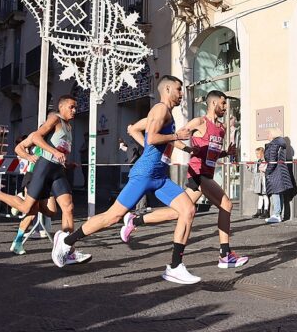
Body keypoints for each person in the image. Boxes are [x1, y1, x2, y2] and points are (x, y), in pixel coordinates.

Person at [50, 76, 200, 284]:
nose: (182, 94)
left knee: (188, 210)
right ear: (167, 89)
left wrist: (186, 147)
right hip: (145, 174)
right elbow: (153, 138)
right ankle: (66, 241)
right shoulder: (160, 110)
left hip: (159, 175)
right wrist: (177, 137)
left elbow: (139, 132)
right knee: (112, 217)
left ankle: (175, 267)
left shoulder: (167, 114)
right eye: (178, 89)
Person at [120, 90, 249, 269]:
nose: (226, 107)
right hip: (198, 173)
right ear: (213, 104)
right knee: (226, 204)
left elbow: (211, 154)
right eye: (223, 103)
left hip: (207, 173)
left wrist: (226, 153)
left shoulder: (221, 129)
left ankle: (135, 220)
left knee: (178, 212)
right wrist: (186, 149)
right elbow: (174, 135)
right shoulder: (199, 122)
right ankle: (225, 255)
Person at [0, 95, 91, 264]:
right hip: (43, 168)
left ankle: (68, 249)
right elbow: (36, 137)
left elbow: (59, 149)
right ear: (61, 107)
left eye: (76, 107)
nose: (75, 110)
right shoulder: (55, 119)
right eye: (71, 107)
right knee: (26, 208)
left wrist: (67, 163)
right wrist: (33, 156)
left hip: (57, 171)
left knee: (67, 207)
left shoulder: (68, 127)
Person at [263, 128, 295, 224]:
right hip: (281, 170)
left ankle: (276, 215)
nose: (267, 135)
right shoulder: (280, 144)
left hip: (275, 171)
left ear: (272, 134)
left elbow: (272, 160)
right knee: (279, 193)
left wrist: (267, 171)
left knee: (276, 193)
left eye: (268, 133)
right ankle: (278, 214)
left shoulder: (274, 144)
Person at [250, 147, 268, 218]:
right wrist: (249, 167)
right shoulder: (257, 161)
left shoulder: (265, 161)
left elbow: (265, 169)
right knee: (260, 196)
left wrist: (262, 169)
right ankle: (259, 211)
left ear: (262, 153)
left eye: (258, 153)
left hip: (263, 180)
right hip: (258, 181)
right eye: (256, 153)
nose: (256, 155)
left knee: (265, 195)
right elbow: (254, 171)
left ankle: (266, 211)